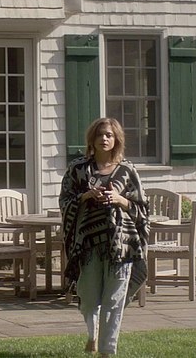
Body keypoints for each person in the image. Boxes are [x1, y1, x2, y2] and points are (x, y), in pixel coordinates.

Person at [60, 117, 149, 357]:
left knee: (114, 300)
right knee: (88, 297)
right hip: (88, 244)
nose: (104, 138)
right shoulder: (78, 169)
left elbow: (142, 210)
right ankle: (93, 335)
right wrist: (85, 196)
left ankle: (107, 351)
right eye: (100, 134)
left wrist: (120, 200)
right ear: (92, 139)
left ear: (116, 139)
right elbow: (64, 201)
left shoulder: (128, 171)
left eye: (109, 135)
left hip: (122, 244)